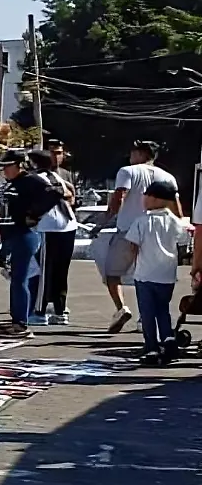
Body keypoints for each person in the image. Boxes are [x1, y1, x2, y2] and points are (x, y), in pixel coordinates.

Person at [100, 140, 179, 333]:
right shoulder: (167, 176)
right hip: (157, 232)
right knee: (147, 276)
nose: (130, 156)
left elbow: (120, 195)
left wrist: (107, 216)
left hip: (128, 230)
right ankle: (145, 317)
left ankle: (121, 308)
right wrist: (178, 224)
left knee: (112, 274)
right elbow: (174, 203)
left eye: (133, 152)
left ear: (142, 154)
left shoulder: (127, 171)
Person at [118, 178, 188, 365]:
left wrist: (131, 264)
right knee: (163, 309)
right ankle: (168, 338)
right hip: (167, 274)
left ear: (156, 199)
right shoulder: (175, 221)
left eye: (146, 195)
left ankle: (151, 347)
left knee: (147, 312)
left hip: (145, 274)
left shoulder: (142, 221)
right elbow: (182, 244)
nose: (144, 199)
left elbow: (133, 247)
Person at [0, 149, 54, 338]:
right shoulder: (13, 184)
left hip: (24, 234)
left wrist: (34, 215)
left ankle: (21, 323)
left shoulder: (30, 180)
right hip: (11, 234)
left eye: (9, 166)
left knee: (20, 279)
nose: (5, 171)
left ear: (20, 165)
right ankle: (16, 320)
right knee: (15, 280)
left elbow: (54, 193)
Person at [37, 140, 79, 324]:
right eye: (52, 153)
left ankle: (54, 306)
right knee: (45, 269)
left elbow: (72, 197)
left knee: (59, 270)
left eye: (59, 153)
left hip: (62, 224)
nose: (56, 156)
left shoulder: (66, 175)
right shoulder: (36, 175)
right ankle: (47, 303)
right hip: (50, 225)